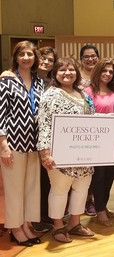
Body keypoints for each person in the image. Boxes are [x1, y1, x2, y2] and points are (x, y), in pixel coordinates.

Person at [37, 58, 95, 243]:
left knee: (81, 188)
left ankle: (75, 223)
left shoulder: (83, 94)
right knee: (59, 190)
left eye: (71, 69)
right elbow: (44, 124)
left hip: (84, 153)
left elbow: (92, 120)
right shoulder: (50, 95)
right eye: (62, 70)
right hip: (59, 154)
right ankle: (58, 226)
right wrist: (45, 153)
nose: (67, 73)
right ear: (55, 73)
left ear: (76, 73)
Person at [0, 41, 43, 247]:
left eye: (30, 54)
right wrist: (3, 144)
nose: (26, 57)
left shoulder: (39, 82)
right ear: (15, 57)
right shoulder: (6, 81)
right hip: (13, 142)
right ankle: (15, 227)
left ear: (35, 58)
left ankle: (26, 223)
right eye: (22, 54)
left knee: (31, 188)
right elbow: (1, 114)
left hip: (34, 143)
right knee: (14, 188)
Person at [84, 58, 114, 226]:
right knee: (99, 177)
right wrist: (105, 117)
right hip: (96, 142)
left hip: (113, 141)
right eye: (104, 71)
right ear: (98, 71)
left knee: (110, 176)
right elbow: (85, 115)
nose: (107, 74)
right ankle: (99, 210)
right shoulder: (88, 91)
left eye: (111, 72)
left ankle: (103, 206)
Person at [31, 46, 59, 234]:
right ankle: (34, 218)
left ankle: (46, 214)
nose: (47, 62)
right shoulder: (28, 78)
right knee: (33, 180)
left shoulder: (53, 82)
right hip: (28, 135)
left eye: (50, 60)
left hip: (48, 137)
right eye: (43, 58)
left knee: (46, 179)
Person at [79, 44, 100, 216]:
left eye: (93, 56)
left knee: (95, 171)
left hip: (100, 130)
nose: (90, 59)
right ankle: (78, 202)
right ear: (81, 59)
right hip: (80, 129)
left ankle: (91, 200)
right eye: (86, 56)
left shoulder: (102, 76)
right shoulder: (76, 76)